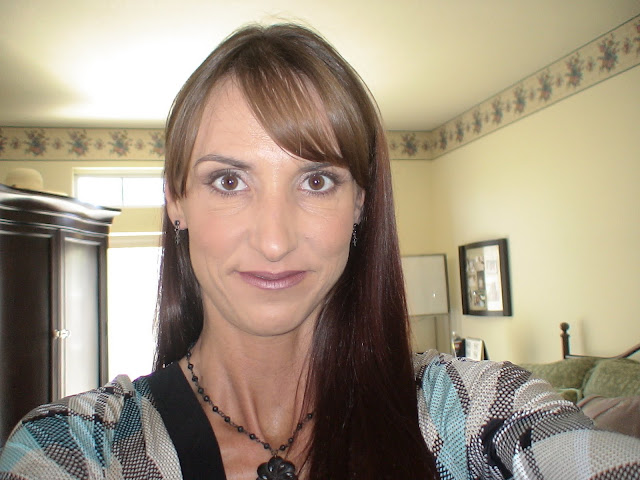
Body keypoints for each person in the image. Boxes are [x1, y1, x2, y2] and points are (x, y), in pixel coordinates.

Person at [0, 23, 638, 480]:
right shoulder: (76, 451)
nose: (275, 240)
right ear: (176, 201)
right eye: (229, 181)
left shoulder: (475, 415)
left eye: (316, 181)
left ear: (360, 203)